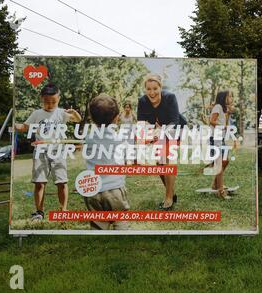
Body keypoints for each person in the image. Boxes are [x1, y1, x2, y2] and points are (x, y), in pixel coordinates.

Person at [15, 83, 82, 220]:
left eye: (54, 102)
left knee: (62, 182)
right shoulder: (37, 114)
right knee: (39, 182)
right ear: (41, 99)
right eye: (47, 102)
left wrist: (74, 113)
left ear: (59, 99)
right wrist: (14, 125)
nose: (50, 105)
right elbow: (24, 127)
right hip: (40, 151)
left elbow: (78, 120)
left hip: (58, 151)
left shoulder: (61, 113)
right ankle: (39, 212)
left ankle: (63, 211)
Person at [84, 94, 130, 230]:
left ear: (92, 118)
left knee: (98, 223)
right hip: (114, 189)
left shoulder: (89, 137)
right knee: (120, 219)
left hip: (93, 190)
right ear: (116, 118)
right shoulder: (119, 138)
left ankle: (98, 241)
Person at [137, 74, 180, 210]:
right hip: (156, 131)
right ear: (145, 89)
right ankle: (171, 192)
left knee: (166, 160)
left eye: (155, 88)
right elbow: (141, 123)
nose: (152, 92)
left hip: (172, 129)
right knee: (159, 164)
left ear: (160, 87)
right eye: (148, 89)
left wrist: (163, 131)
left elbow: (175, 121)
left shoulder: (170, 97)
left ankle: (168, 198)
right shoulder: (142, 101)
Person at [209, 90, 234, 200]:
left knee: (225, 161)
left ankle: (215, 184)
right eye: (229, 96)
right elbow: (212, 121)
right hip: (215, 138)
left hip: (221, 138)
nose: (231, 98)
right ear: (223, 97)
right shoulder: (217, 107)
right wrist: (222, 126)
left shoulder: (223, 109)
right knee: (220, 163)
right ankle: (220, 191)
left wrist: (228, 113)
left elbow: (225, 124)